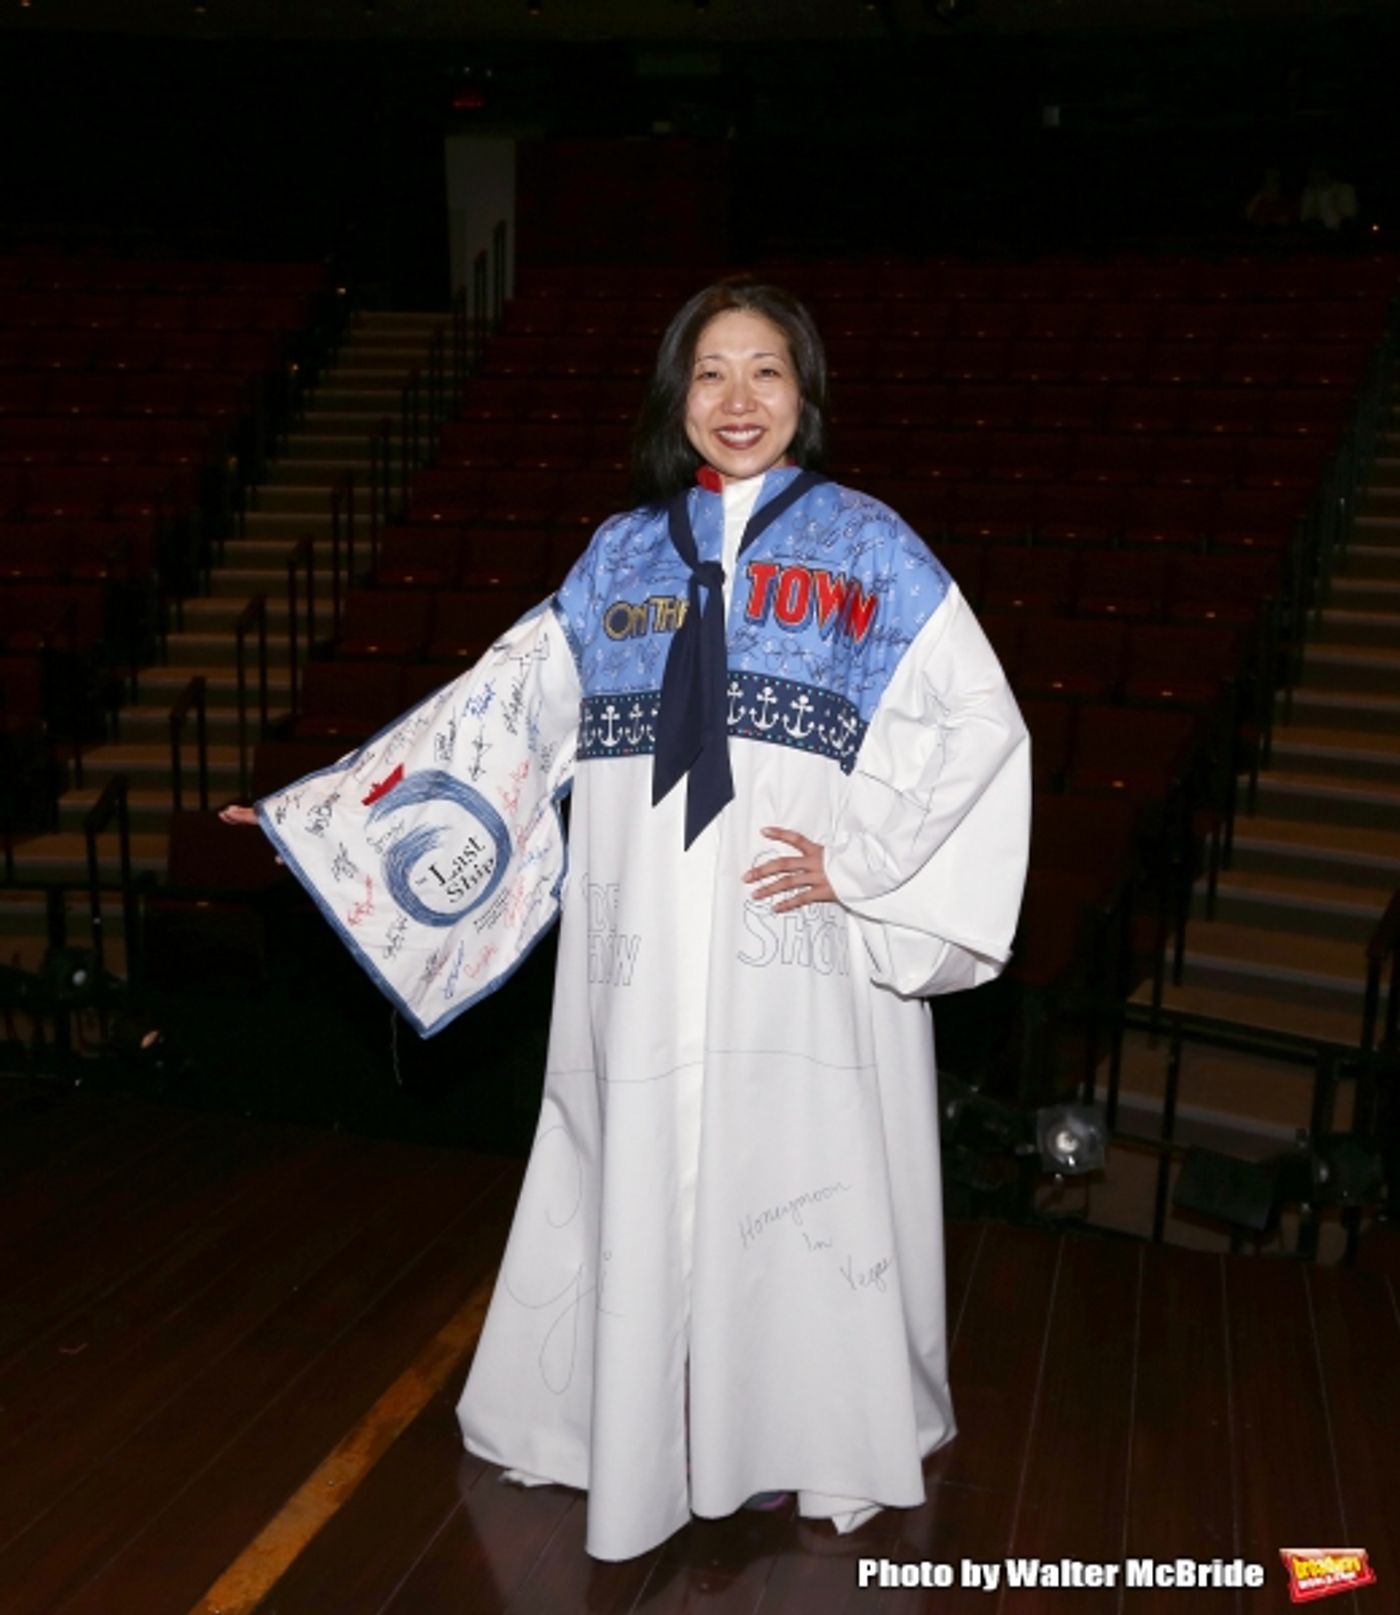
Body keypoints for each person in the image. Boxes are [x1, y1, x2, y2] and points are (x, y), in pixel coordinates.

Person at [224, 278, 1030, 1561]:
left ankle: (792, 1426)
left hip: (792, 955)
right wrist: (329, 811)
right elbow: (506, 708)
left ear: (804, 394)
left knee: (792, 1179)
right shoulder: (619, 555)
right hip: (641, 949)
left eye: (764, 372)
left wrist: (864, 864)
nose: (738, 400)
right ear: (677, 400)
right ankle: (629, 1418)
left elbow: (980, 722)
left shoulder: (870, 548)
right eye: (710, 374)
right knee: (635, 1149)